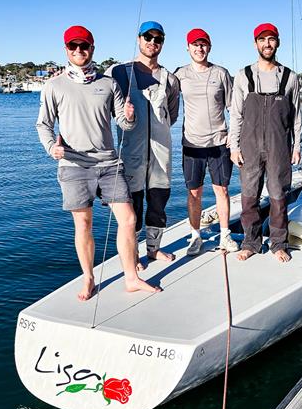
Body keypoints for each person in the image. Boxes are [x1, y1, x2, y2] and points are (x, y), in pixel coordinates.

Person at [36, 25, 161, 301]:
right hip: (73, 166)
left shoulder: (109, 83)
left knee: (128, 219)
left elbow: (124, 124)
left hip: (108, 163)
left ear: (92, 48)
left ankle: (131, 278)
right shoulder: (54, 85)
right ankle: (89, 278)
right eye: (73, 46)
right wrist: (51, 147)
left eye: (84, 46)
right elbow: (44, 124)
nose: (79, 51)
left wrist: (129, 116)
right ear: (66, 50)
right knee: (84, 224)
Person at [107, 21, 179, 269]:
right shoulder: (118, 72)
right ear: (138, 39)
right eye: (148, 37)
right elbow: (102, 107)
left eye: (158, 38)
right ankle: (132, 254)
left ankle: (154, 249)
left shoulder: (170, 78)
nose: (152, 42)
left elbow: (172, 113)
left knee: (158, 202)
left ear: (163, 43)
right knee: (132, 207)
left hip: (161, 154)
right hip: (131, 154)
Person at [229, 23, 302, 263]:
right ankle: (250, 243)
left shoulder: (290, 78)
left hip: (279, 147)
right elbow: (236, 115)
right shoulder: (243, 76)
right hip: (249, 147)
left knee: (279, 196)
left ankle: (278, 244)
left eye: (271, 39)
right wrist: (233, 146)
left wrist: (297, 146)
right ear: (255, 44)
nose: (267, 44)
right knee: (249, 196)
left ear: (277, 42)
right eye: (262, 40)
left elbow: (297, 117)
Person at [174, 28, 239, 255]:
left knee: (222, 191)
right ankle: (195, 237)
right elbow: (166, 102)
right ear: (188, 48)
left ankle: (225, 236)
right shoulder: (180, 75)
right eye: (195, 45)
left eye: (203, 45)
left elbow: (233, 107)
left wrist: (234, 137)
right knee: (194, 193)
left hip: (219, 143)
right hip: (192, 145)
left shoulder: (221, 73)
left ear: (209, 47)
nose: (199, 48)